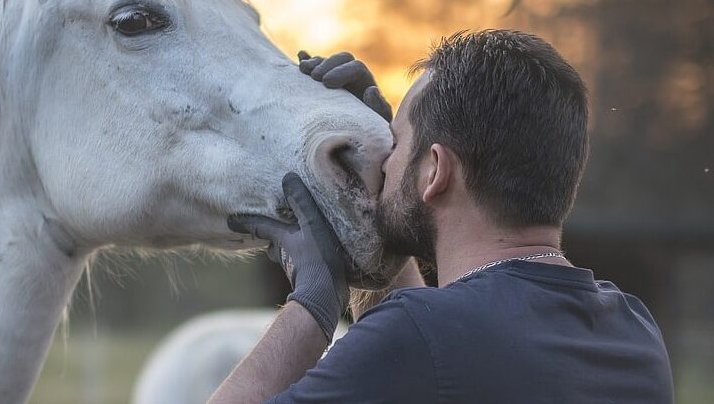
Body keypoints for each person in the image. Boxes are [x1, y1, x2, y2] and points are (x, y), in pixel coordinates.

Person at [209, 30, 674, 403]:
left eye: (397, 143)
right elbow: (441, 347)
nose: (386, 163)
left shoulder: (416, 338)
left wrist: (313, 300)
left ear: (435, 170)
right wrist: (374, 215)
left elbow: (424, 342)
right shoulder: (634, 332)